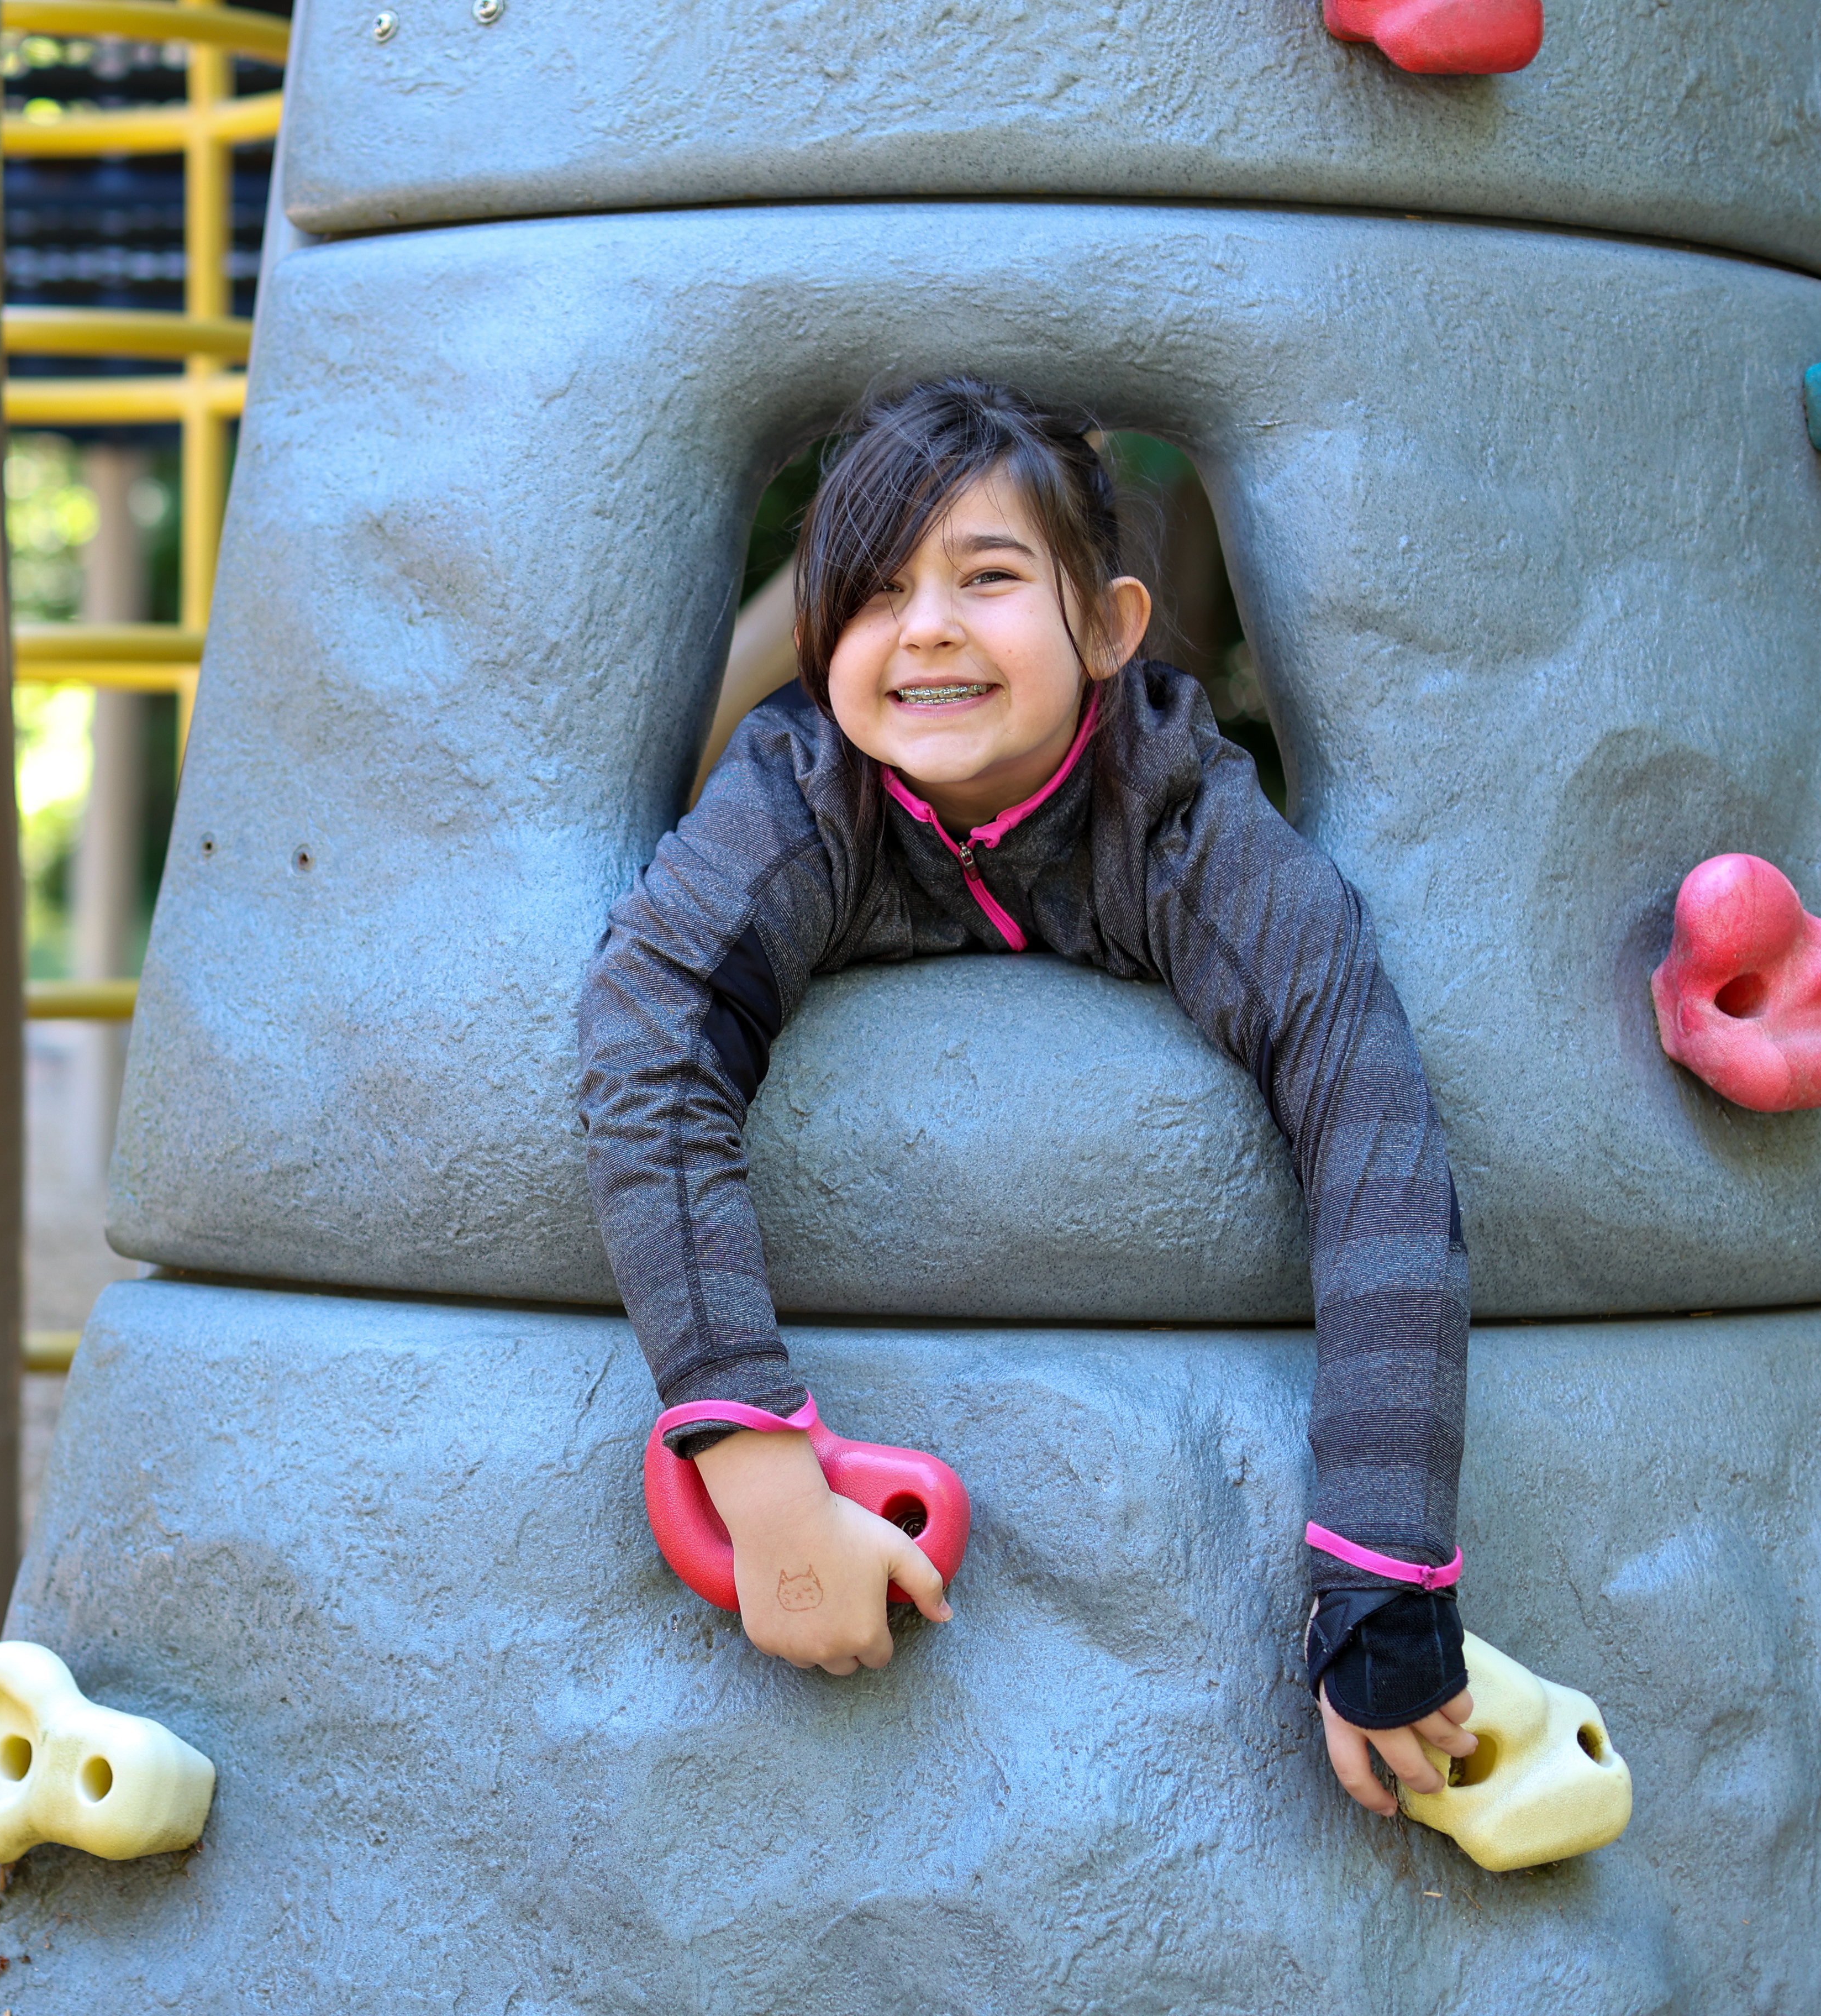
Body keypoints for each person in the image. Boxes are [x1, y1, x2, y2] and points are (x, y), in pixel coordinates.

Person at [576, 376, 1477, 1812]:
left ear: (1109, 626)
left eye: (986, 578)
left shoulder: (1186, 826)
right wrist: (759, 1475)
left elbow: (1373, 1133)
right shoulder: (801, 796)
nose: (923, 626)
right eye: (871, 595)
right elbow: (646, 1040)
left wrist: (1384, 1577)